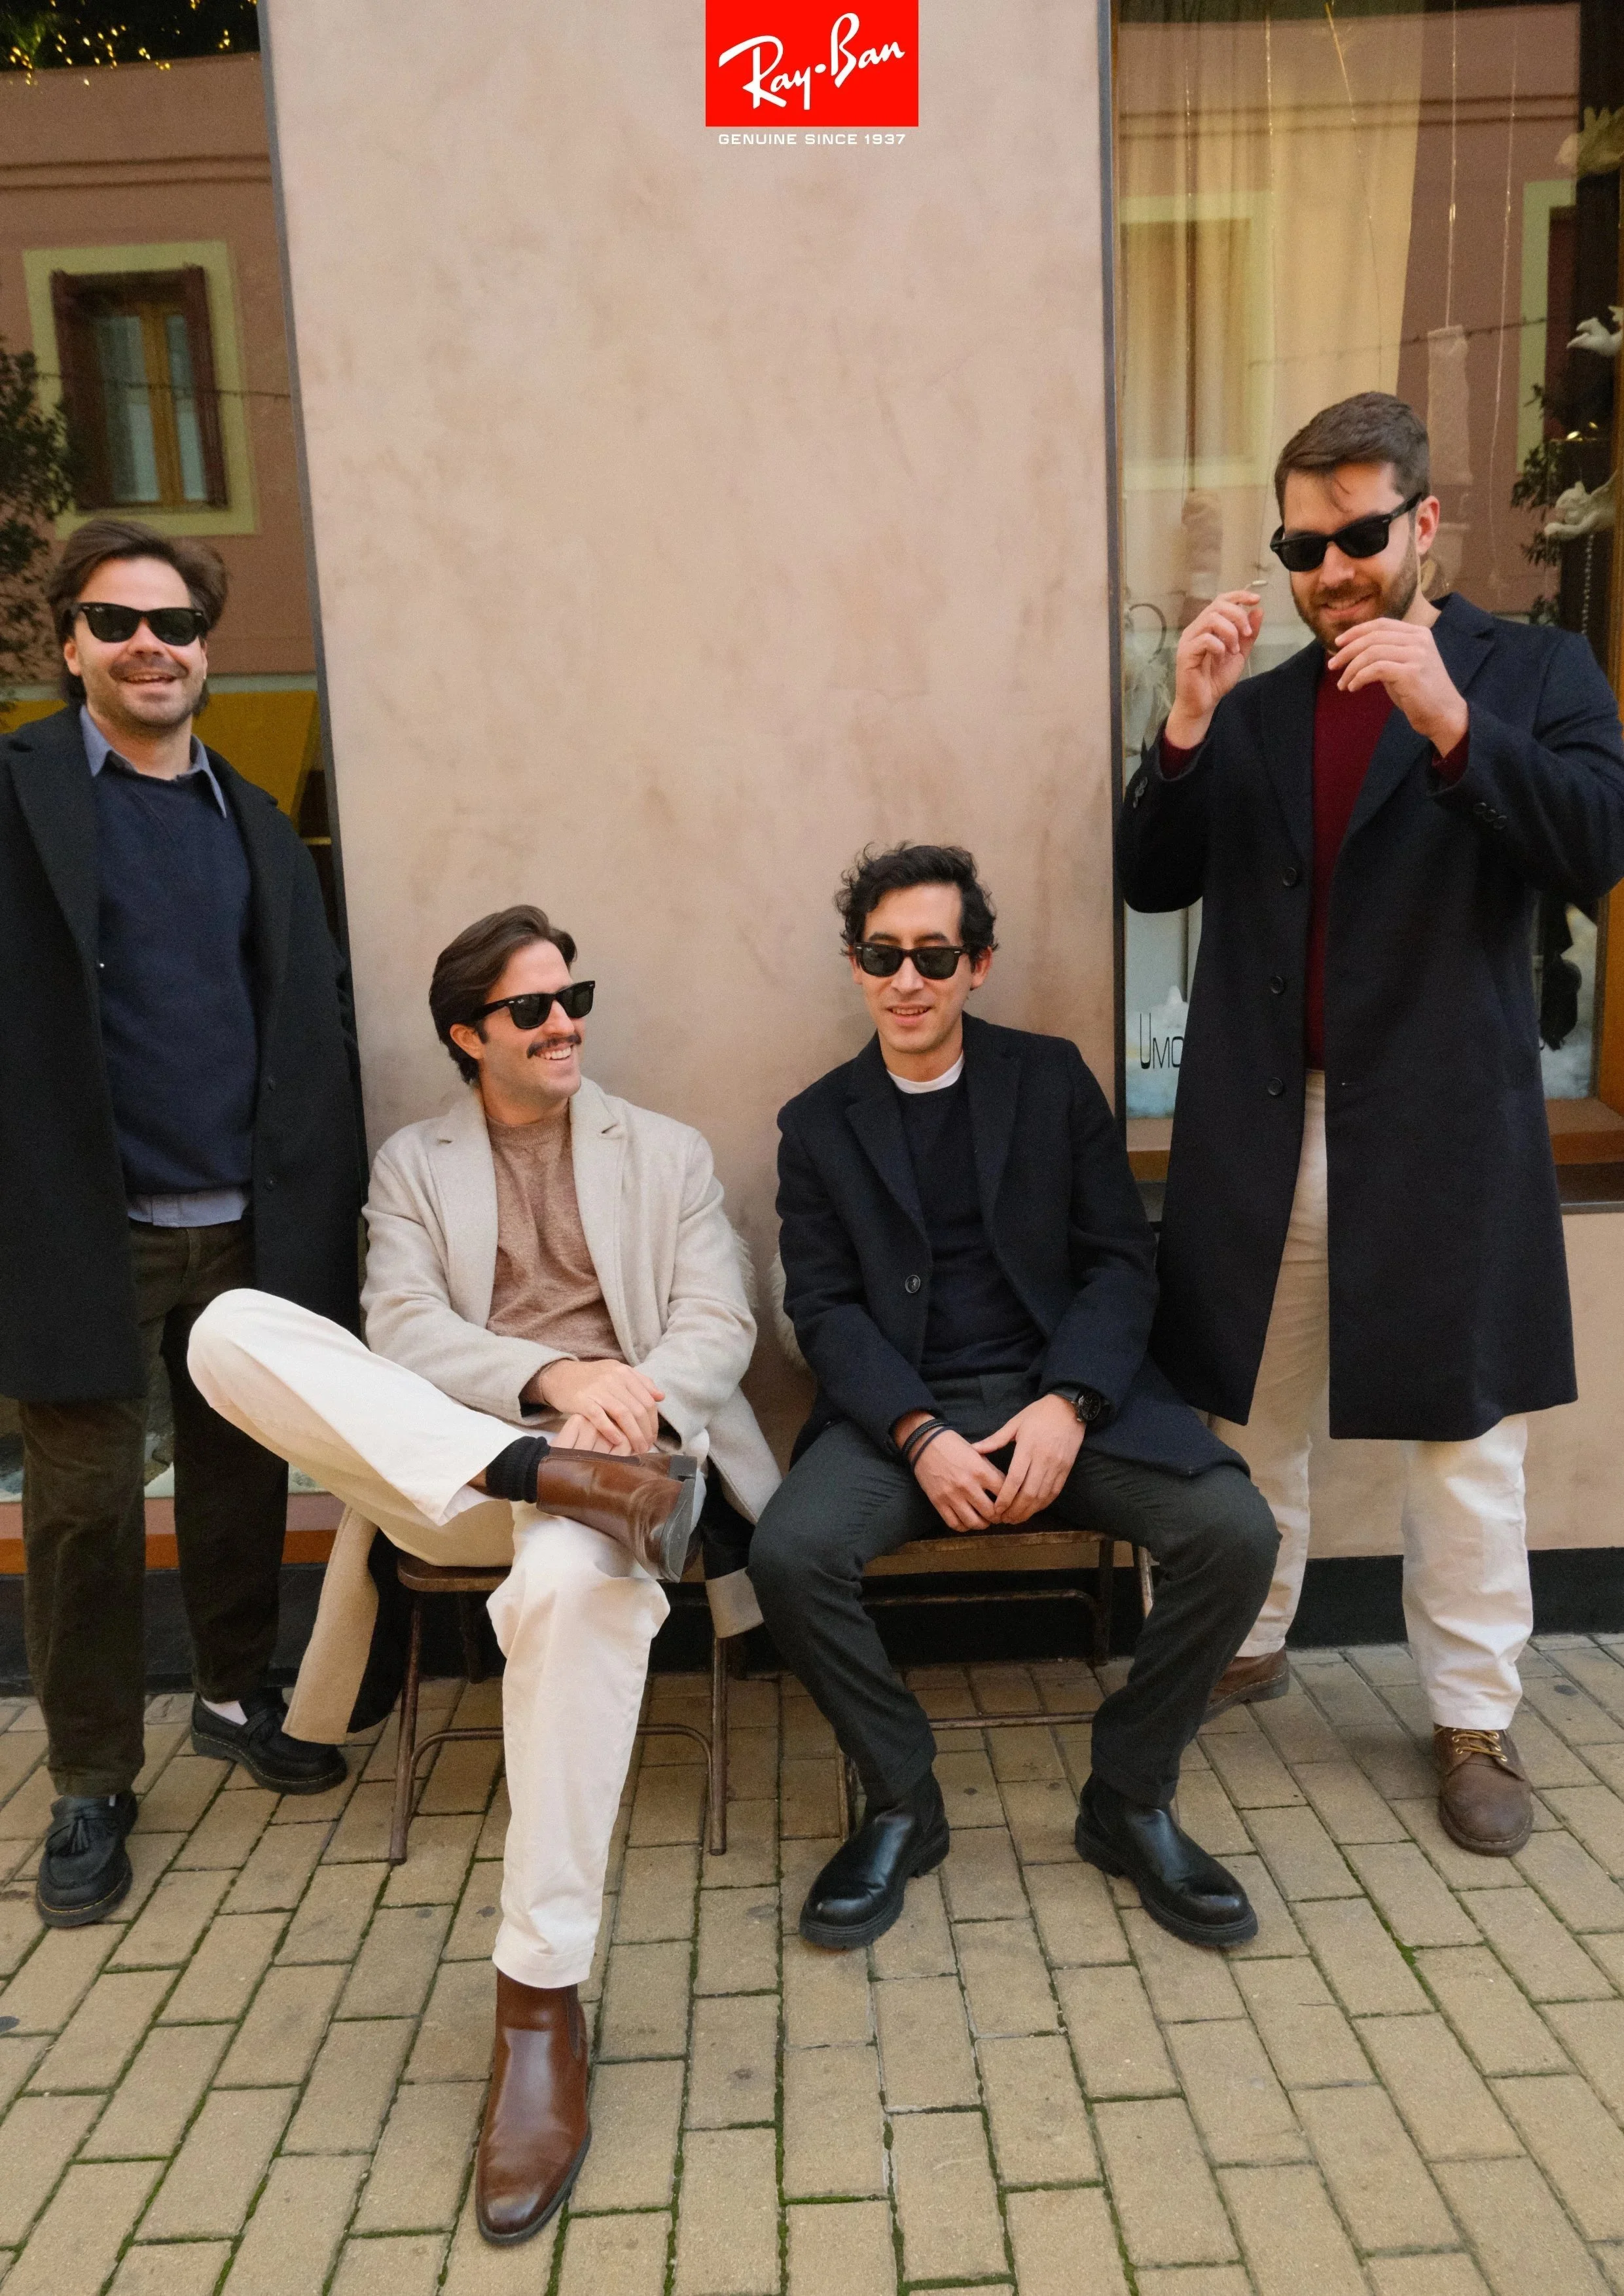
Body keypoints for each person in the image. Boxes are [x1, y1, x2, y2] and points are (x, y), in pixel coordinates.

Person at [188, 903, 779, 2246]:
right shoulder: (412, 1165)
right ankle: (546, 1478)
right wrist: (544, 1395)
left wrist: (616, 1399)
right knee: (226, 1328)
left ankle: (537, 1998)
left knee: (576, 1585)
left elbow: (720, 1318)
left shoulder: (666, 1151)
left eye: (574, 992)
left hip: (629, 1466)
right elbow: (399, 1325)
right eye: (531, 1006)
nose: (564, 1019)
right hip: (461, 1468)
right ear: (468, 1035)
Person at [1118, 391, 1624, 1857]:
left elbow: (1596, 844)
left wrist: (1454, 723)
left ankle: (1472, 1714)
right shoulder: (1267, 705)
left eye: (1355, 537)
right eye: (1303, 542)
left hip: (1442, 1134)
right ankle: (1242, 1638)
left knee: (1464, 1443)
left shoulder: (1531, 672)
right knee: (1244, 1410)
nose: (1328, 570)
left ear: (1422, 524)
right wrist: (1187, 722)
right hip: (1263, 1128)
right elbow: (1154, 878)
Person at [748, 844, 1280, 1953]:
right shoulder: (817, 1123)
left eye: (933, 956)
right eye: (882, 955)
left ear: (977, 964)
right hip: (902, 1415)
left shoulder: (1050, 1080)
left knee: (1233, 1531)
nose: (908, 979)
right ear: (856, 967)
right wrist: (917, 1431)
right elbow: (827, 1310)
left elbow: (1119, 1263)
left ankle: (1128, 1798)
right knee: (790, 1556)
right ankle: (902, 1801)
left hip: (1063, 1396)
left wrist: (1070, 1402)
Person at [0, 518, 366, 1930]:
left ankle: (231, 1689)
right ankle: (92, 1775)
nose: (150, 643)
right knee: (86, 1515)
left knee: (236, 1485)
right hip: (84, 1220)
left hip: (248, 1224)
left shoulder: (252, 816)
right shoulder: (22, 790)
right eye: (116, 619)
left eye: (174, 622)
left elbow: (308, 1017)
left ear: (205, 645)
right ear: (72, 641)